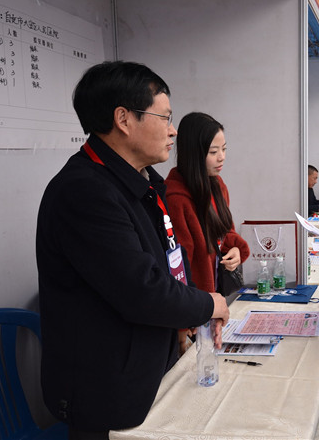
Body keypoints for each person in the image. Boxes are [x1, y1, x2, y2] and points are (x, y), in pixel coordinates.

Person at [36, 61, 230, 438]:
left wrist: (192, 314)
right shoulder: (84, 192)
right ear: (124, 119)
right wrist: (209, 304)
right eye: (165, 117)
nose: (173, 130)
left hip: (148, 373)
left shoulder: (143, 182)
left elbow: (169, 263)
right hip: (106, 393)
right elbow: (142, 289)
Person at [165, 112, 250, 353]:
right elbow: (179, 268)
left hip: (214, 300)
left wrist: (236, 249)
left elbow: (224, 232)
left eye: (224, 149)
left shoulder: (217, 185)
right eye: (213, 152)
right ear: (193, 152)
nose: (221, 157)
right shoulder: (176, 198)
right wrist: (183, 326)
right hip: (192, 310)